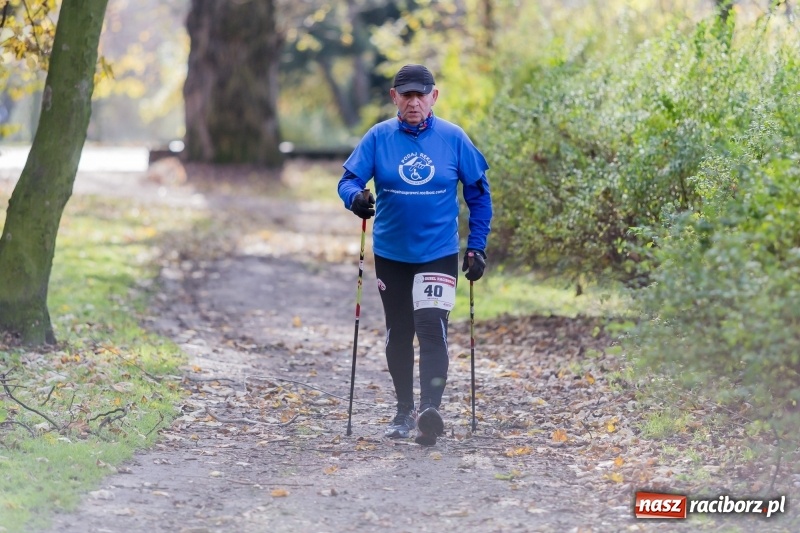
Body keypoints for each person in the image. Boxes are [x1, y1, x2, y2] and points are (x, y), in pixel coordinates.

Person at [337, 64, 492, 446]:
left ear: (434, 97)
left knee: (430, 325)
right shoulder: (379, 138)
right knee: (400, 330)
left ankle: (429, 411)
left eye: (420, 94)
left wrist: (477, 245)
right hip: (391, 252)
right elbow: (349, 179)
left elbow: (479, 193)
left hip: (437, 252)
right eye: (405, 94)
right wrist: (354, 198)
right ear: (394, 97)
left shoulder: (454, 139)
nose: (413, 101)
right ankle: (404, 409)